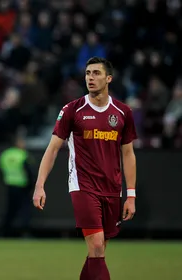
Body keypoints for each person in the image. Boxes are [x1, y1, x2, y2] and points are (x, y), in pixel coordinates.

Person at [32, 57, 137, 280]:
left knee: (97, 253)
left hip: (112, 189)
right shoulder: (72, 110)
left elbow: (128, 154)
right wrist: (40, 185)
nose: (90, 77)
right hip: (83, 187)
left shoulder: (123, 112)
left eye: (96, 73)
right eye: (88, 73)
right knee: (97, 247)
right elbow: (52, 150)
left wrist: (131, 195)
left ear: (109, 78)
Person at [0, 134, 34, 237]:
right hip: (23, 186)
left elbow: (1, 170)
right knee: (25, 210)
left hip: (10, 185)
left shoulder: (5, 154)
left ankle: (5, 232)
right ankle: (25, 232)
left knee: (10, 210)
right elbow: (29, 171)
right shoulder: (23, 154)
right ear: (18, 143)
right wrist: (32, 185)